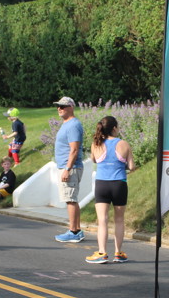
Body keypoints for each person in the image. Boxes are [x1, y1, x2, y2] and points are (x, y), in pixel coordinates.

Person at [86, 116, 136, 264]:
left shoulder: (96, 144)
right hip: (119, 184)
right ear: (114, 128)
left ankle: (102, 252)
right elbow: (132, 167)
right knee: (119, 220)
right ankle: (118, 253)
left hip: (102, 184)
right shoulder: (123, 144)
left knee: (102, 220)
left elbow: (94, 160)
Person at [53, 96, 85, 242]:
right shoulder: (67, 124)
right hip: (67, 167)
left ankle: (73, 232)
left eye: (62, 106)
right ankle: (76, 230)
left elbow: (74, 149)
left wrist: (67, 168)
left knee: (70, 199)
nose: (59, 109)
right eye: (58, 106)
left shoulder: (73, 125)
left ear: (71, 107)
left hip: (70, 167)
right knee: (71, 199)